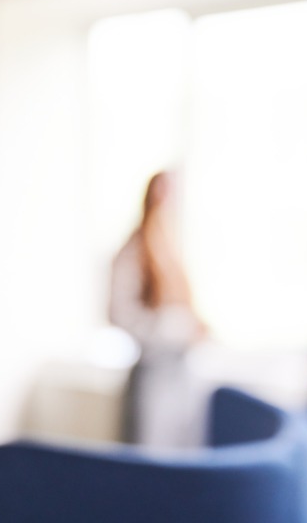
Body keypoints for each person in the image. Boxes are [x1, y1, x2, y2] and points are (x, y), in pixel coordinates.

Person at [109, 170, 206, 447]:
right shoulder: (132, 252)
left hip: (182, 376)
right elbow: (120, 315)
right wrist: (172, 328)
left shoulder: (173, 250)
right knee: (151, 465)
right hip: (153, 376)